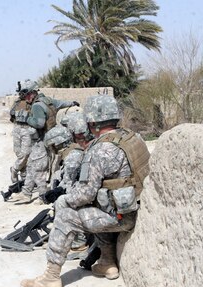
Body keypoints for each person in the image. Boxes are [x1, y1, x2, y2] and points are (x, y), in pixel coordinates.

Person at [20, 94, 150, 287]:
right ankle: (107, 262)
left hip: (120, 219)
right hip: (136, 210)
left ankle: (51, 276)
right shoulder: (132, 138)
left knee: (67, 212)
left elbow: (85, 194)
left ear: (92, 123)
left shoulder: (99, 150)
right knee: (98, 204)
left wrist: (64, 199)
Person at [12, 79, 79, 204]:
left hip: (43, 140)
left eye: (26, 94)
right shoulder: (47, 100)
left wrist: (27, 118)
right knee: (32, 164)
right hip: (49, 138)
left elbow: (39, 123)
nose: (25, 98)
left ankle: (43, 196)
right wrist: (72, 103)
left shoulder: (37, 106)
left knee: (39, 167)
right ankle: (26, 192)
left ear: (32, 93)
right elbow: (61, 103)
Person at [9, 81, 37, 183]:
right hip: (17, 128)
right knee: (19, 153)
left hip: (26, 129)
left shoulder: (32, 102)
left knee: (25, 153)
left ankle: (15, 169)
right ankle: (24, 177)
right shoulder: (17, 103)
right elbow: (12, 115)